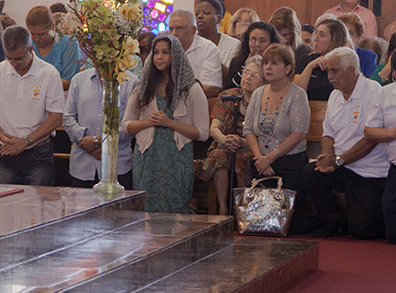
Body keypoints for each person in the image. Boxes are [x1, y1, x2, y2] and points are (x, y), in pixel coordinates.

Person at [303, 47, 387, 239]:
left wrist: (339, 160)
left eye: (335, 71)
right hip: (341, 165)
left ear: (351, 70)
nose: (330, 76)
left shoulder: (373, 91)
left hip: (368, 171)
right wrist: (326, 156)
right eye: (328, 71)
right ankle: (333, 220)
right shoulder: (335, 95)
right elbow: (327, 134)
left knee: (363, 232)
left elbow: (371, 139)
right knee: (311, 172)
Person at [121, 34, 209, 213]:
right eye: (156, 53)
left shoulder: (191, 88)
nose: (159, 57)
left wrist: (170, 123)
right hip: (147, 156)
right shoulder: (142, 87)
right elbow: (126, 126)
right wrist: (147, 122)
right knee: (145, 211)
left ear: (175, 55)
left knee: (175, 210)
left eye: (165, 52)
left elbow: (203, 133)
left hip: (177, 157)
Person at [0, 26, 65, 186]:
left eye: (18, 59)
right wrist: (4, 138)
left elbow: (57, 117)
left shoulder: (49, 73)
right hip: (5, 150)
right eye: (8, 58)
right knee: (5, 205)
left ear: (30, 49)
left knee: (37, 206)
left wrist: (25, 141)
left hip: (38, 153)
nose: (13, 64)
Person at [244, 44, 310, 233]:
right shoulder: (258, 93)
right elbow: (248, 129)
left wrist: (270, 157)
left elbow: (299, 132)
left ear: (288, 68)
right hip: (261, 164)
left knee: (288, 225)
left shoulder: (297, 94)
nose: (268, 67)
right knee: (260, 224)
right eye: (265, 63)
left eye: (274, 63)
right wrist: (260, 159)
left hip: (290, 163)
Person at [196, 55, 265, 215]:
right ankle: (222, 208)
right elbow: (214, 128)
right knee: (221, 155)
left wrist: (243, 142)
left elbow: (266, 135)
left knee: (242, 157)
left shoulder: (264, 100)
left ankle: (242, 209)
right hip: (224, 144)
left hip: (253, 147)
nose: (248, 77)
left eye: (255, 75)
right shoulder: (228, 96)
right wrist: (225, 139)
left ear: (264, 81)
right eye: (246, 72)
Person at [63, 67, 138, 190]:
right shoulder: (79, 80)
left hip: (117, 167)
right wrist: (85, 140)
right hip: (82, 166)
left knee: (117, 209)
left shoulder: (131, 82)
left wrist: (99, 142)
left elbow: (131, 124)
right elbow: (68, 118)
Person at [364, 52, 396, 244]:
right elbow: (370, 132)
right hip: (394, 168)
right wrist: (393, 133)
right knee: (390, 212)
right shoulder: (385, 93)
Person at [167, 9, 222, 97]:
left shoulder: (208, 48)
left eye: (179, 28)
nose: (173, 33)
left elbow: (212, 87)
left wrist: (177, 94)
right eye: (171, 29)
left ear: (193, 30)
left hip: (194, 103)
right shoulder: (163, 47)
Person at [294, 18, 350, 101]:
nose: (315, 39)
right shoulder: (306, 60)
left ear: (335, 39)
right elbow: (296, 93)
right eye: (316, 33)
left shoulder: (345, 65)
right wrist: (310, 67)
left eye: (322, 35)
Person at [25, 6, 80, 90]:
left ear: (52, 27)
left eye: (41, 34)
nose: (36, 39)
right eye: (32, 34)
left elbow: (70, 82)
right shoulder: (27, 44)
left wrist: (35, 82)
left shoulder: (68, 43)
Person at [225, 22, 282, 89]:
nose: (257, 44)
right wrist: (246, 66)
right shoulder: (236, 62)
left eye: (263, 41)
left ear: (271, 43)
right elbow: (230, 88)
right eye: (253, 40)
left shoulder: (278, 64)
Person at [195, 0, 241, 67]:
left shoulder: (233, 45)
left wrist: (211, 58)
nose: (200, 16)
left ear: (218, 19)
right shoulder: (189, 42)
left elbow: (231, 75)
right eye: (197, 14)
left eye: (206, 13)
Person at [337, 12, 378, 78]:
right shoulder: (330, 56)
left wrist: (351, 56)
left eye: (350, 33)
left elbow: (369, 84)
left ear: (358, 38)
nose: (346, 37)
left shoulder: (368, 56)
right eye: (342, 33)